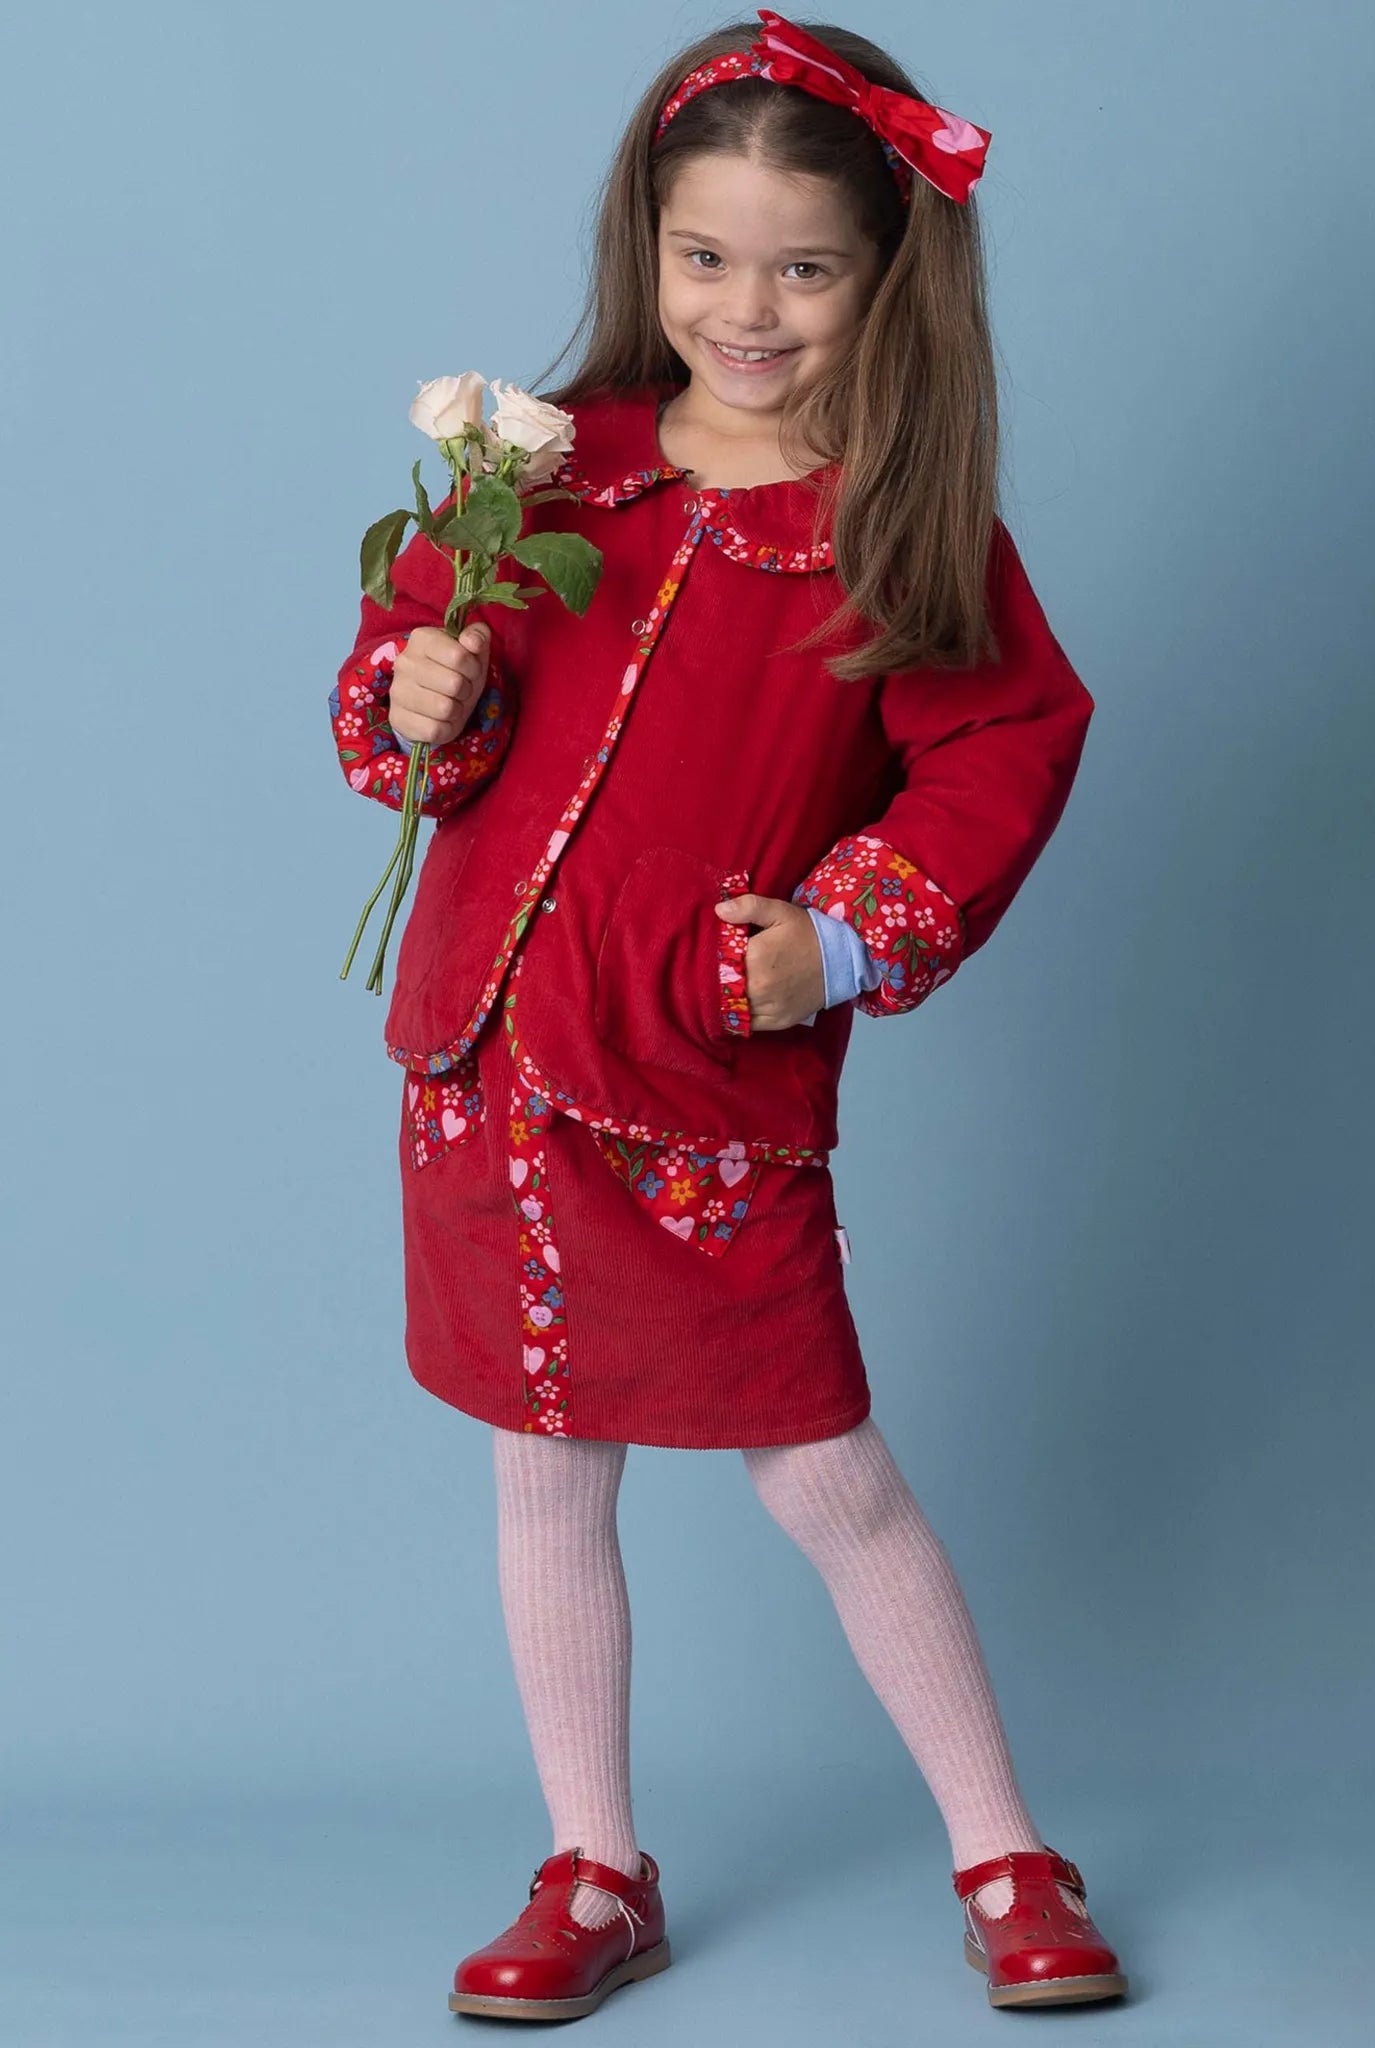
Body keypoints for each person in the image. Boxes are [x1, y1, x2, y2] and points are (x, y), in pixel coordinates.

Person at [328, 8, 1125, 2022]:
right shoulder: (547, 465)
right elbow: (429, 666)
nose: (743, 309)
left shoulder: (894, 522)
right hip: (489, 1060)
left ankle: (1004, 1847)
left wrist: (844, 938)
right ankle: (597, 1864)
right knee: (541, 1463)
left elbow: (1005, 749)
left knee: (826, 1471)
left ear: (885, 276)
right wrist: (427, 696)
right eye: (704, 258)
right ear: (646, 247)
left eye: (802, 266)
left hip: (700, 1085)